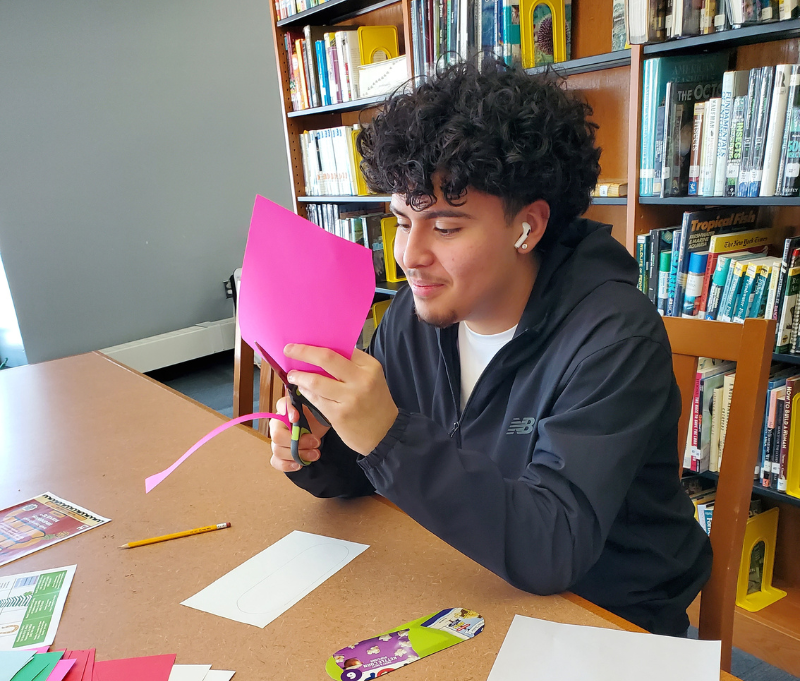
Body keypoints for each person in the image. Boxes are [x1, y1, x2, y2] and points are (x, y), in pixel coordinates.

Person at [268, 60, 711, 637]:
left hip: (606, 617)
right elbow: (374, 473)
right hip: (475, 585)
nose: (409, 255)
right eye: (402, 221)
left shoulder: (614, 337)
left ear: (527, 227)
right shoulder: (415, 314)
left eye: (445, 228)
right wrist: (324, 448)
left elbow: (555, 545)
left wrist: (388, 437)